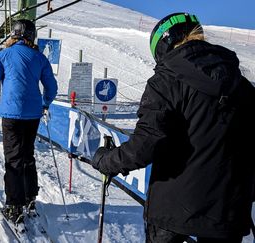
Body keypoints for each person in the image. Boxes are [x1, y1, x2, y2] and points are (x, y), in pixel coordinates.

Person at [90, 12, 255, 243]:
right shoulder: (242, 85)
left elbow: (144, 145)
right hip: (227, 213)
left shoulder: (166, 80)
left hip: (173, 210)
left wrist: (105, 160)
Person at [0, 19, 58, 224]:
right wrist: (45, 103)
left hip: (11, 115)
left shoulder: (4, 55)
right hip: (33, 115)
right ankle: (30, 197)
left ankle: (14, 205)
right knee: (27, 154)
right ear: (31, 36)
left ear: (13, 34)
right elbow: (52, 87)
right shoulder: (39, 58)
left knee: (13, 158)